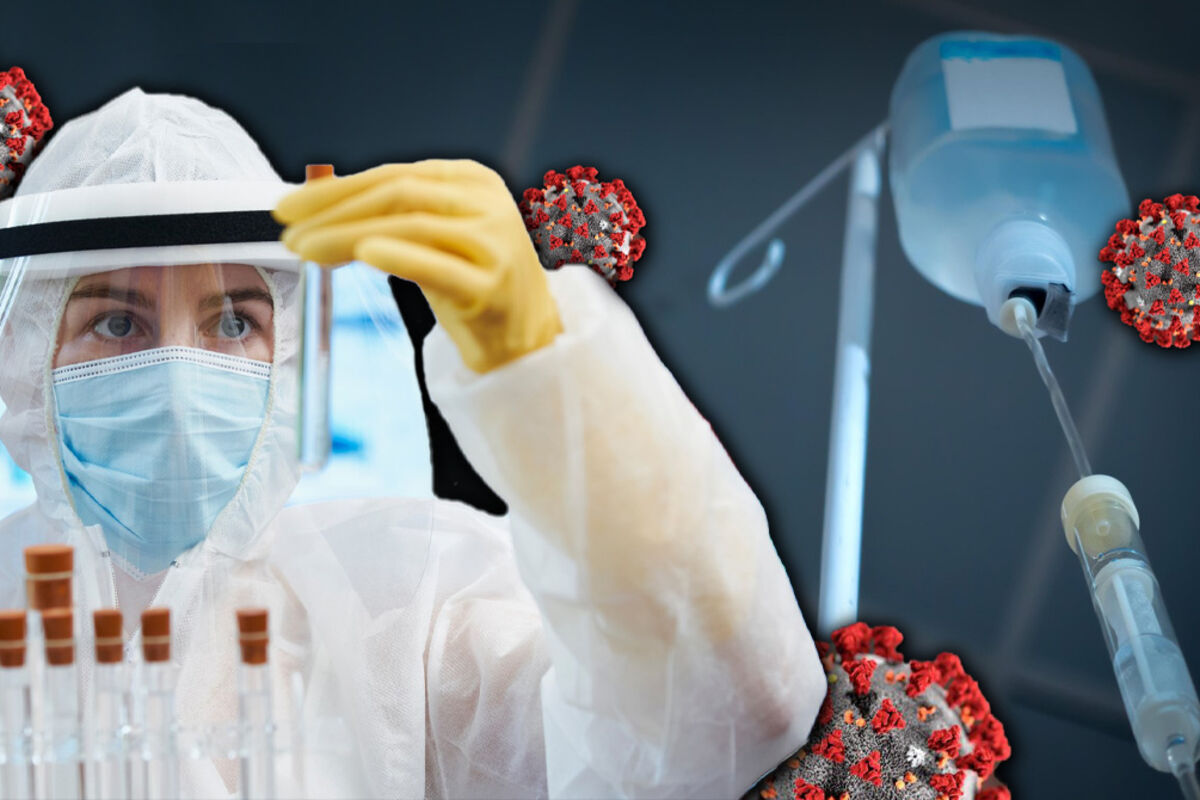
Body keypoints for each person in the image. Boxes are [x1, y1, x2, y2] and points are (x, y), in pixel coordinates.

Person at [0, 88, 824, 798]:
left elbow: (720, 721)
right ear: (25, 356)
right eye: (117, 323)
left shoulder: (400, 610)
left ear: (287, 355)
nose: (181, 384)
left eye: (233, 322)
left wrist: (548, 369)